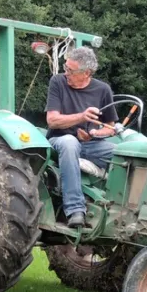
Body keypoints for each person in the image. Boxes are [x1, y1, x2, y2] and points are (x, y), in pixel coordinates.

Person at [46, 47, 118, 228]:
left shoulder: (103, 90)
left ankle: (118, 208)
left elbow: (111, 128)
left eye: (70, 70)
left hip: (91, 144)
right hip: (60, 140)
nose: (66, 73)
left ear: (86, 73)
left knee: (123, 154)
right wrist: (81, 117)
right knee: (70, 143)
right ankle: (75, 210)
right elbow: (52, 120)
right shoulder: (58, 82)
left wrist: (95, 133)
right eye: (66, 67)